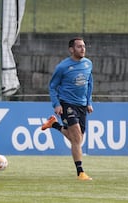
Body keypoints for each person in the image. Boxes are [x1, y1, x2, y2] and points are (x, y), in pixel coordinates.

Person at [41, 37, 93, 181]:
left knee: (77, 139)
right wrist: (56, 104)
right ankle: (80, 172)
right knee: (76, 138)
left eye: (83, 46)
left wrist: (89, 102)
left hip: (82, 105)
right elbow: (52, 87)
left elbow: (89, 84)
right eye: (79, 47)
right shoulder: (63, 67)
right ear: (71, 49)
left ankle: (54, 125)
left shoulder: (88, 64)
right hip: (67, 104)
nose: (82, 49)